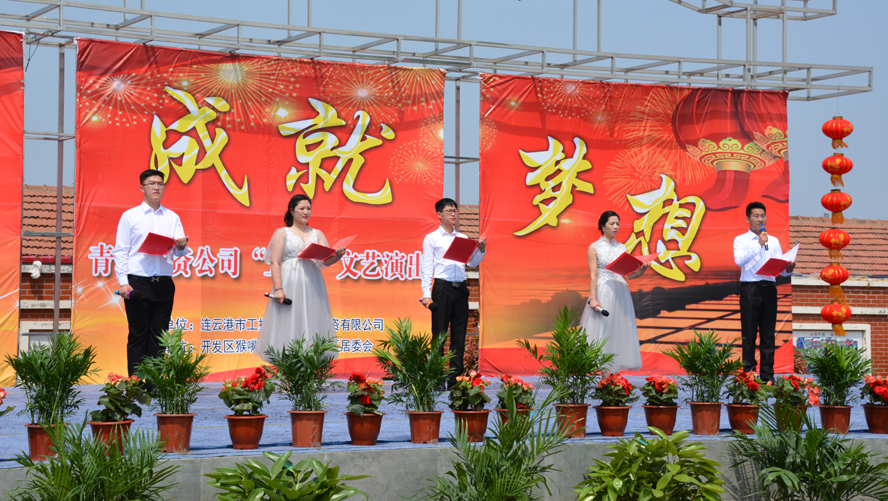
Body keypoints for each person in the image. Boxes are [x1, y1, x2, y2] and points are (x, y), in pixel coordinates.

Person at [114, 169, 190, 376]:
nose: (156, 188)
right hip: (137, 283)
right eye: (151, 184)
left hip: (164, 283)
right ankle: (137, 383)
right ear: (142, 188)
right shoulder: (130, 216)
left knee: (160, 336)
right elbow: (121, 251)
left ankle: (155, 383)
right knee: (138, 335)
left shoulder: (172, 217)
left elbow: (180, 252)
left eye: (160, 184)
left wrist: (181, 246)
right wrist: (123, 282)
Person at [256, 194, 346, 359]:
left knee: (311, 318)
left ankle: (311, 361)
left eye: (309, 208)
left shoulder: (317, 233)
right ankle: (289, 362)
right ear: (292, 210)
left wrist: (338, 256)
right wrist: (279, 289)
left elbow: (325, 261)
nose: (306, 212)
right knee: (289, 319)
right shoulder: (282, 232)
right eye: (302, 208)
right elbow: (275, 262)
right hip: (290, 280)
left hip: (312, 282)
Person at [420, 198, 486, 388]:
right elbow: (427, 267)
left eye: (455, 210)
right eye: (449, 210)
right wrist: (426, 294)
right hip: (442, 289)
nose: (453, 214)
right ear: (439, 214)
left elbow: (471, 262)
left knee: (459, 335)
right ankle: (436, 378)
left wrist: (481, 250)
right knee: (439, 334)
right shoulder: (432, 238)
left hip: (461, 289)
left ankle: (455, 379)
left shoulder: (463, 238)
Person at [733, 201, 794, 383]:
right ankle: (749, 376)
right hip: (750, 289)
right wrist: (758, 244)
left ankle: (767, 376)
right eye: (756, 216)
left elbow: (780, 267)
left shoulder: (773, 241)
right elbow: (739, 261)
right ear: (748, 219)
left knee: (768, 334)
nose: (760, 219)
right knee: (749, 333)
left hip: (769, 289)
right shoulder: (741, 240)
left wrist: (788, 268)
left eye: (763, 216)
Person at [579, 210, 648, 371]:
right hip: (604, 291)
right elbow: (594, 275)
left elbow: (628, 275)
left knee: (619, 331)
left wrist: (641, 271)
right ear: (603, 226)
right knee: (604, 330)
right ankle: (604, 376)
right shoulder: (594, 247)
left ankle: (613, 376)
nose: (615, 226)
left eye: (617, 223)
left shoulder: (622, 247)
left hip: (621, 293)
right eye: (612, 223)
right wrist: (593, 298)